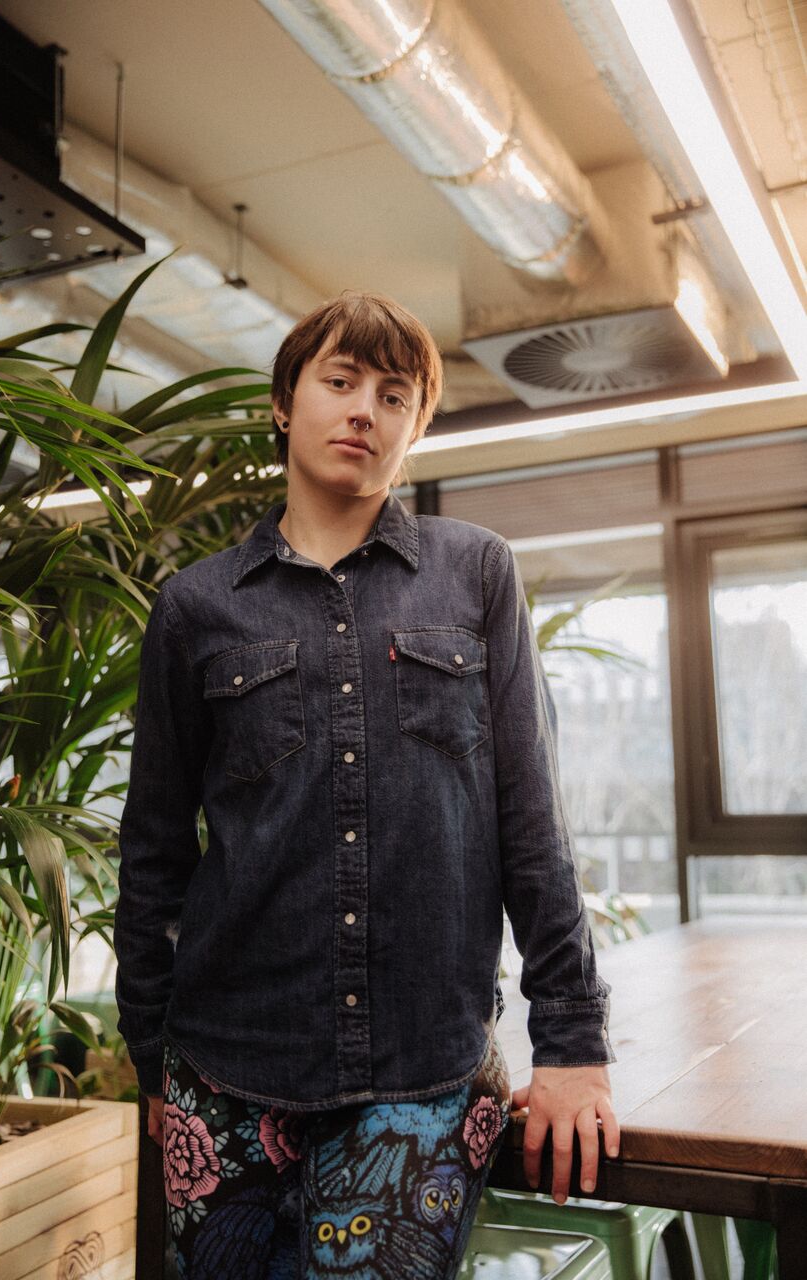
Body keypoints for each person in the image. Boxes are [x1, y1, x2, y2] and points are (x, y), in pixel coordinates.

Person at [114, 289, 619, 1279]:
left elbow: (533, 823)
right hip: (224, 1070)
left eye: (394, 396)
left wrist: (571, 1039)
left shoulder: (474, 575)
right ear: (283, 401)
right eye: (339, 382)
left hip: (422, 1072)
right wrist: (150, 1058)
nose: (363, 411)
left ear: (414, 430)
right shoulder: (195, 606)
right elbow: (155, 852)